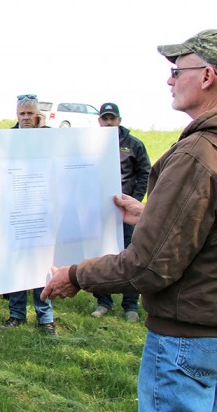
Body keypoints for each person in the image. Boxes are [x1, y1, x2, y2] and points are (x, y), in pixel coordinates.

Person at [42, 30, 217, 412]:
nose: (170, 80)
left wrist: (76, 275)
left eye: (178, 70)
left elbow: (148, 267)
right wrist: (152, 214)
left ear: (209, 76)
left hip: (186, 339)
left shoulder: (198, 152)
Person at [0, 94, 57, 335]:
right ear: (16, 115)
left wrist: (42, 131)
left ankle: (46, 318)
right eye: (21, 114)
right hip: (15, 208)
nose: (25, 118)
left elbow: (57, 158)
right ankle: (16, 314)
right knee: (17, 263)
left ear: (38, 115)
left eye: (29, 114)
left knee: (42, 264)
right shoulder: (6, 138)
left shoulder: (50, 135)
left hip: (41, 208)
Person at [90, 102, 150, 322]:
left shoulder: (133, 145)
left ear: (119, 120)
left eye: (111, 119)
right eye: (104, 118)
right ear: (99, 121)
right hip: (99, 211)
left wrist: (133, 198)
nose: (108, 122)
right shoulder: (90, 144)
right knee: (101, 257)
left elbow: (145, 173)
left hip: (126, 212)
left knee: (130, 255)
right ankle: (103, 301)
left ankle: (130, 304)